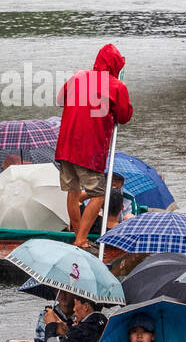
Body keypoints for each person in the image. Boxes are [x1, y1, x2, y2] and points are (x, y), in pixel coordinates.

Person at [55, 43, 133, 248]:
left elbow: (61, 99)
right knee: (99, 195)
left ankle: (77, 233)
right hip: (88, 149)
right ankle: (81, 239)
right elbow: (125, 116)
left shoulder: (78, 77)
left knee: (73, 191)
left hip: (65, 146)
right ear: (116, 66)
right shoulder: (117, 86)